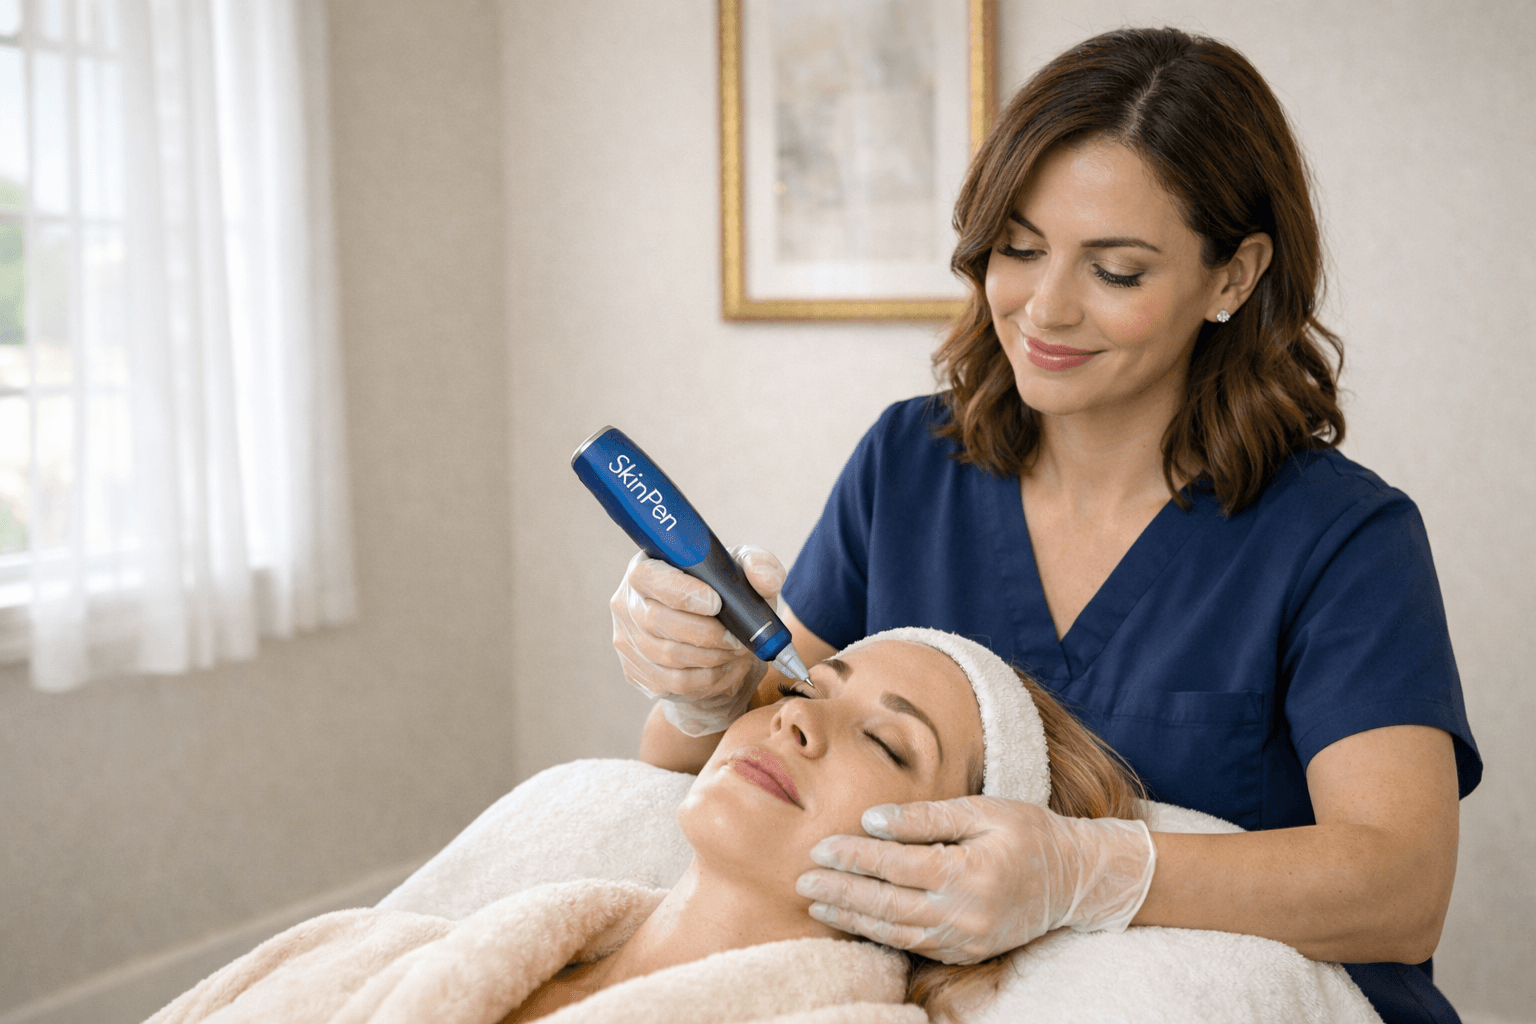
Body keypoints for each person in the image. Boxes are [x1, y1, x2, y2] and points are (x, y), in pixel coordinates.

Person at [609, 26, 1480, 1024]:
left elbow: (1402, 890)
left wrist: (1086, 870)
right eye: (1020, 250)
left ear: (1233, 277)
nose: (1045, 308)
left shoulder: (1343, 539)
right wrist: (704, 687)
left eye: (1117, 272)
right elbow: (711, 759)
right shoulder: (910, 465)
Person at [146, 630, 1144, 1024]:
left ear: (951, 870)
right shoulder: (373, 948)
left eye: (886, 744)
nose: (795, 719)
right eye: (806, 687)